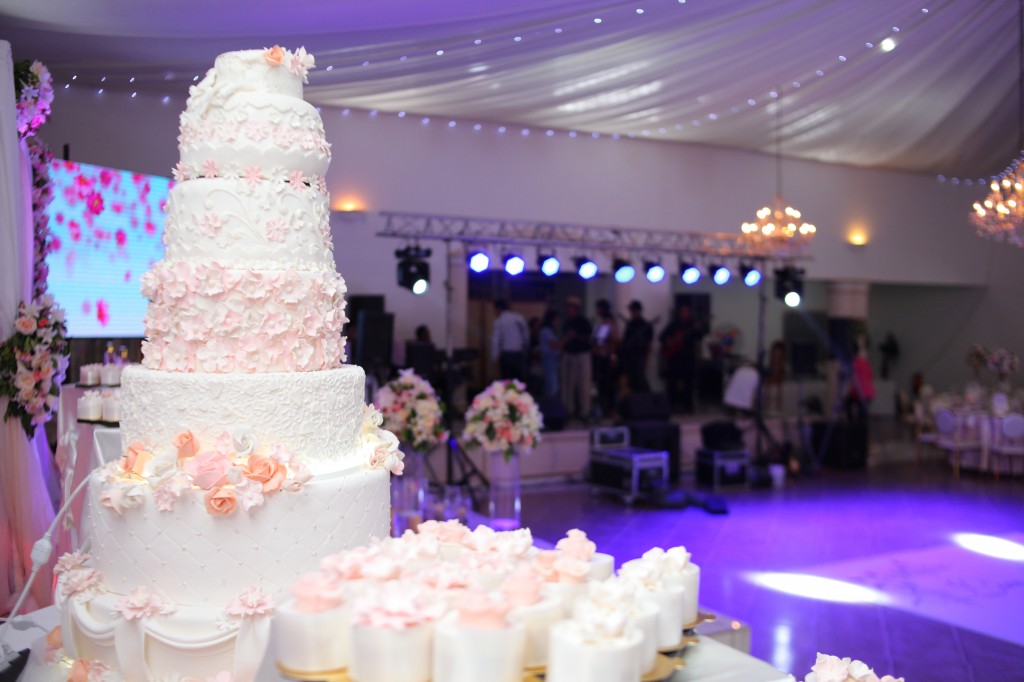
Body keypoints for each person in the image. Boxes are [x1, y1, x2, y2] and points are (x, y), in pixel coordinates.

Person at [659, 303, 704, 413]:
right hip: (674, 358)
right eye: (682, 311)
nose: (684, 313)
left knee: (689, 382)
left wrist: (699, 330)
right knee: (672, 383)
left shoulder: (693, 324)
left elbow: (699, 337)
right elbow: (662, 337)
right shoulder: (674, 324)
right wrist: (669, 341)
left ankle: (688, 406)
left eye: (686, 311)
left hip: (688, 358)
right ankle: (671, 405)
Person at [561, 296, 593, 420]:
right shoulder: (567, 323)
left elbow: (589, 338)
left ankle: (585, 411)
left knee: (584, 384)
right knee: (568, 385)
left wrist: (576, 336)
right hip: (569, 354)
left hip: (582, 355)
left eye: (570, 307)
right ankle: (568, 410)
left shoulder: (583, 322)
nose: (568, 309)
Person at [591, 299, 619, 416]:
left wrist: (611, 354)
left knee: (608, 384)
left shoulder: (608, 322)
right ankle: (603, 408)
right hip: (600, 356)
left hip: (606, 357)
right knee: (601, 384)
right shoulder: (599, 321)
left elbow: (606, 339)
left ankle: (609, 408)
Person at [491, 299, 529, 381]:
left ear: (499, 309)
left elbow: (495, 340)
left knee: (507, 381)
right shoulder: (519, 318)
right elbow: (526, 335)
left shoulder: (499, 321)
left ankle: (508, 393)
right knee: (518, 381)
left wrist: (494, 357)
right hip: (519, 354)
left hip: (506, 355)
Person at [620, 300, 653, 393]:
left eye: (633, 310)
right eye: (631, 311)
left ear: (638, 311)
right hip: (629, 358)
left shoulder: (646, 325)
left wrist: (646, 360)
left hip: (639, 357)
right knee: (631, 381)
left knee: (640, 382)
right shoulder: (630, 324)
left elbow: (648, 344)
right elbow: (625, 340)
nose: (632, 313)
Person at [846, 340, 875, 422]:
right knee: (860, 413)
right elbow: (870, 375)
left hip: (861, 392)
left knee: (860, 414)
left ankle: (854, 427)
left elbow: (851, 377)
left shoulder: (856, 363)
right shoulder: (863, 362)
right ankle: (855, 427)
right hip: (865, 392)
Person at [538, 310, 561, 397]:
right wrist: (566, 339)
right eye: (557, 320)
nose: (558, 322)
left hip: (552, 360)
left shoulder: (549, 331)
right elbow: (554, 345)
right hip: (548, 359)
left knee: (551, 384)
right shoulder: (546, 331)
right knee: (552, 386)